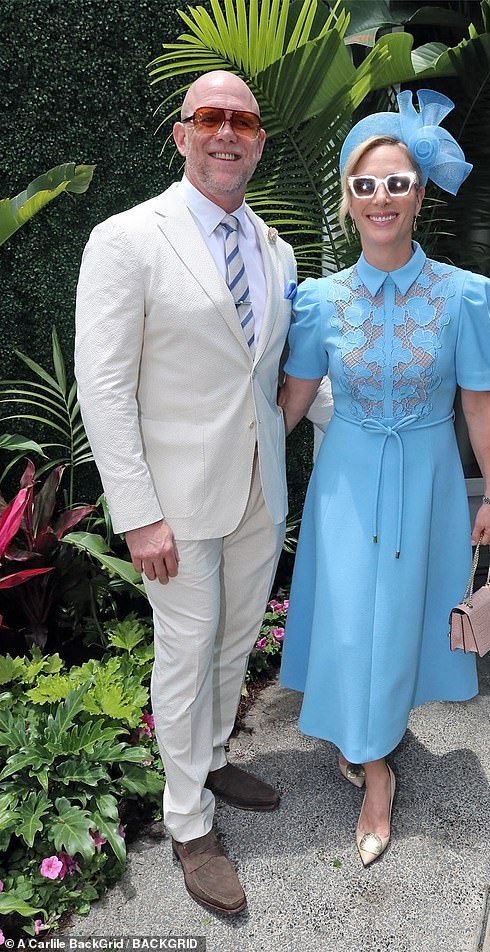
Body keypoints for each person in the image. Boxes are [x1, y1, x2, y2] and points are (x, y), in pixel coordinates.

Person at [75, 71, 298, 916]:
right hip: (173, 505)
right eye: (211, 117)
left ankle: (207, 758)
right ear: (182, 134)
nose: (227, 132)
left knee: (235, 642)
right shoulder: (128, 238)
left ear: (259, 141)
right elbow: (104, 386)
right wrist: (137, 513)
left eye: (242, 120)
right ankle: (187, 822)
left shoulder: (274, 250)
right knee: (185, 651)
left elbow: (270, 373)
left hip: (256, 493)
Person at [278, 89, 490, 867]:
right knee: (354, 614)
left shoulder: (463, 298)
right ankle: (375, 767)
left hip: (430, 481)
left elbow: (480, 403)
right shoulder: (318, 301)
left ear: (419, 195)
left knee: (398, 616)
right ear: (347, 201)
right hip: (346, 480)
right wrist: (240, 462)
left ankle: (375, 744)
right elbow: (297, 396)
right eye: (365, 184)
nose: (381, 198)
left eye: (397, 182)